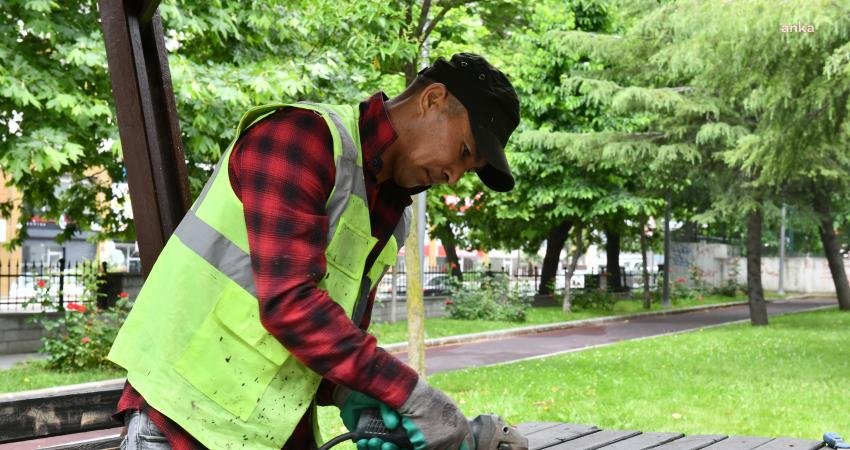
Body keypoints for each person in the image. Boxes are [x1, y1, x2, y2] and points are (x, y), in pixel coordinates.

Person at [108, 52, 520, 450]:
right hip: (180, 423)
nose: (453, 176)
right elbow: (290, 304)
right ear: (433, 100)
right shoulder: (300, 138)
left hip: (267, 435)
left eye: (468, 171)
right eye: (464, 152)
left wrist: (353, 397)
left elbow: (333, 333)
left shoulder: (394, 217)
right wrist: (413, 395)